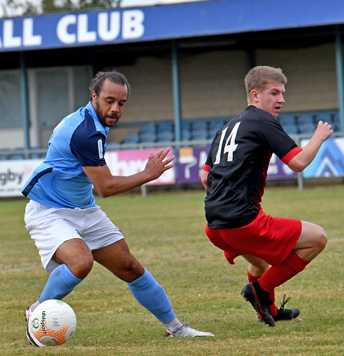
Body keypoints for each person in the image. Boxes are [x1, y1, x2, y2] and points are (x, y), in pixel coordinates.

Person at [21, 70, 213, 347]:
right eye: (109, 100)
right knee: (80, 262)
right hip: (49, 210)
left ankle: (176, 328)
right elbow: (106, 187)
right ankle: (37, 310)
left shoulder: (92, 121)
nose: (115, 109)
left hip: (83, 208)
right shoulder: (85, 132)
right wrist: (148, 174)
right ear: (94, 96)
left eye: (121, 103)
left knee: (129, 266)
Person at [201, 66, 332, 327]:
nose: (281, 99)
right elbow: (298, 162)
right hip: (242, 222)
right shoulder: (263, 121)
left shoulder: (226, 128)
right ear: (255, 95)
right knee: (318, 238)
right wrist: (318, 138)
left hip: (215, 225)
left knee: (259, 264)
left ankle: (267, 311)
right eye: (274, 93)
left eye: (282, 93)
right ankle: (260, 291)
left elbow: (205, 177)